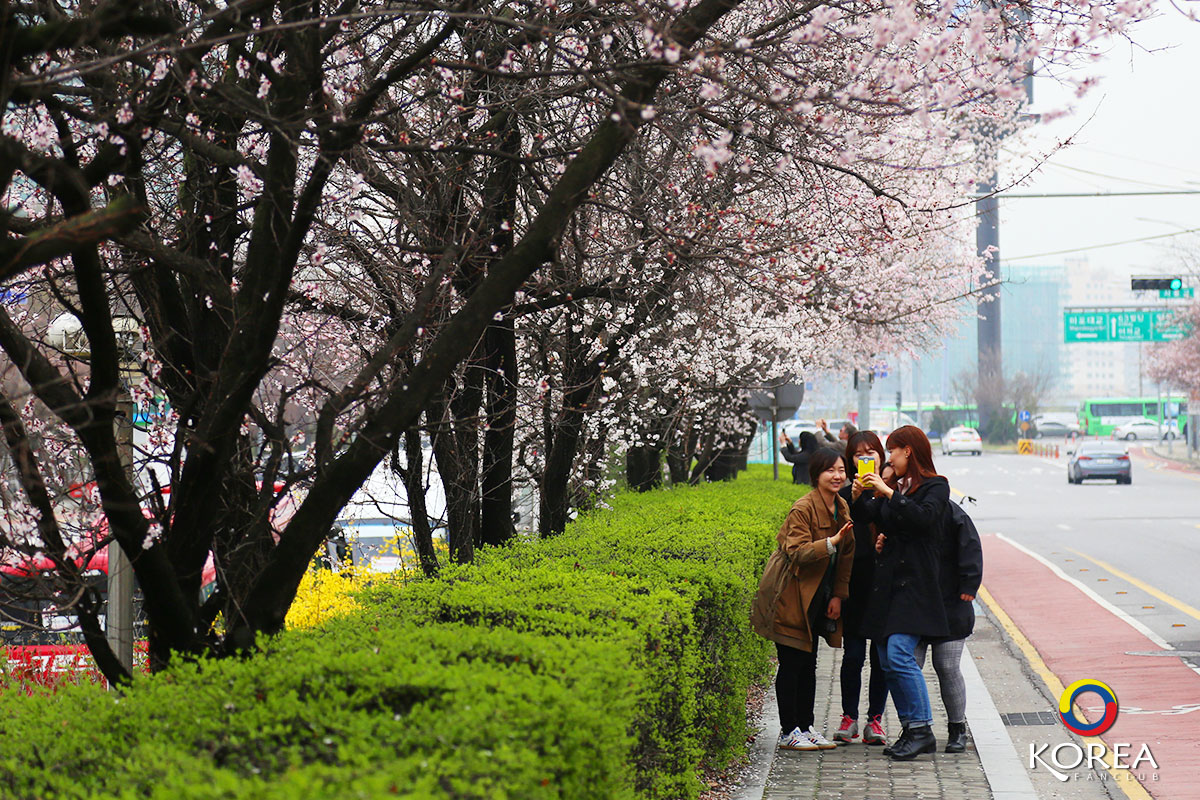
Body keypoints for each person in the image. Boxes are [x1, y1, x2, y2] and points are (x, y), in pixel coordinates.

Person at [853, 425, 950, 761]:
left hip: (916, 586)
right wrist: (862, 494)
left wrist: (888, 492)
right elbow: (869, 517)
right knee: (884, 658)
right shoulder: (894, 485)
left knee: (898, 654)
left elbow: (923, 519)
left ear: (908, 451)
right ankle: (911, 729)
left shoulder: (936, 487)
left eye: (892, 450)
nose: (888, 456)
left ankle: (922, 729)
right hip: (887, 585)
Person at [751, 447, 856, 751]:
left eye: (841, 470)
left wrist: (838, 595)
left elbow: (846, 557)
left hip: (818, 594)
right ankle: (788, 730)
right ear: (816, 475)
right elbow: (795, 552)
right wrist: (829, 543)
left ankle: (806, 727)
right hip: (791, 593)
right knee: (792, 662)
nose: (837, 476)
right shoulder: (803, 508)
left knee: (809, 662)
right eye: (830, 470)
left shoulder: (841, 507)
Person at [831, 431, 890, 746]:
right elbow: (842, 533)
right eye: (858, 453)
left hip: (884, 587)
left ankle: (876, 720)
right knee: (853, 655)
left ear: (880, 455)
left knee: (882, 658)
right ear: (850, 459)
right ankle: (849, 717)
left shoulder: (892, 489)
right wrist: (853, 497)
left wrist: (883, 490)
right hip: (854, 584)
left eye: (871, 452)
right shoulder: (842, 494)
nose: (865, 457)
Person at [915, 499, 984, 753]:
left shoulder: (952, 512)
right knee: (908, 667)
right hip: (913, 604)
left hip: (950, 604)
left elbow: (971, 548)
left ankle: (957, 728)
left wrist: (969, 584)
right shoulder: (900, 507)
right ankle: (916, 728)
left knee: (946, 665)